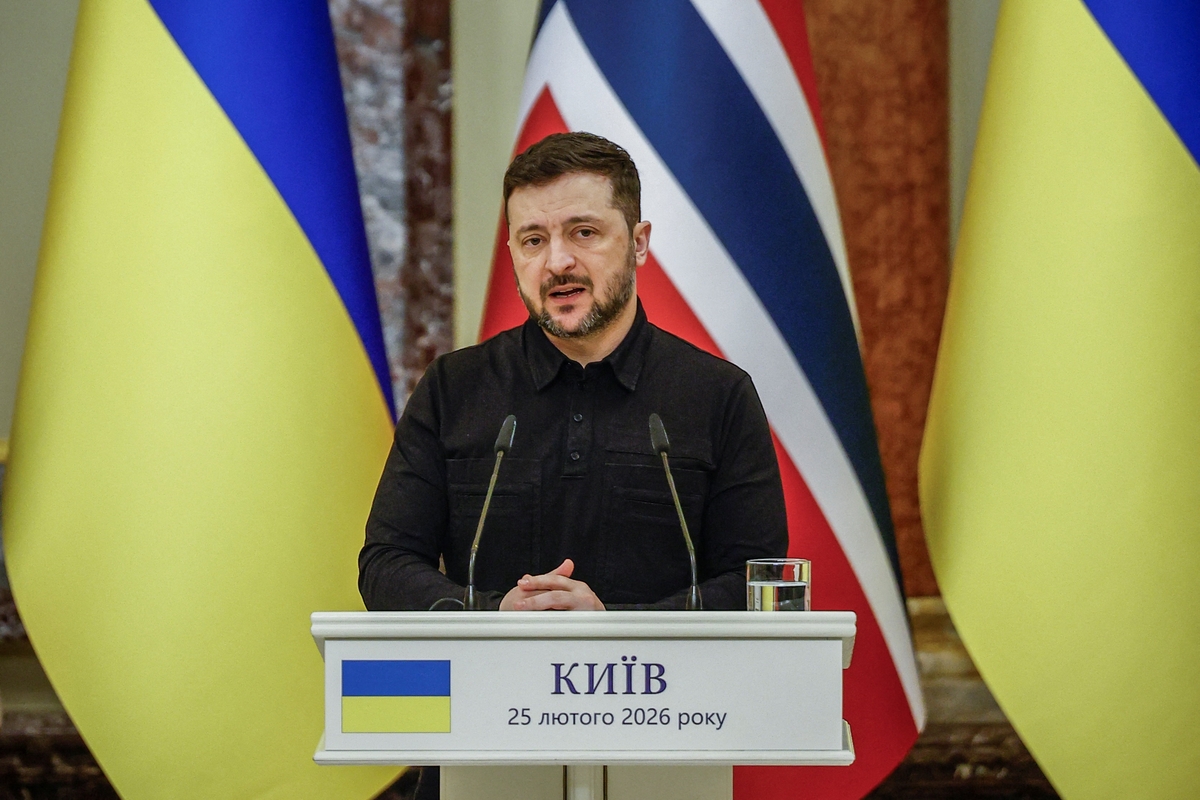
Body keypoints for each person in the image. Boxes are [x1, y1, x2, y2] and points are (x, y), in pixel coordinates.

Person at [359, 132, 787, 612]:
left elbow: (758, 582)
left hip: (658, 665)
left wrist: (613, 628)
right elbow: (385, 565)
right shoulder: (453, 389)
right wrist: (495, 615)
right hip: (492, 662)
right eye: (533, 240)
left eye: (584, 232)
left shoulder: (718, 395)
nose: (557, 263)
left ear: (638, 243)